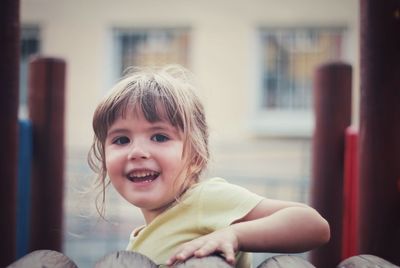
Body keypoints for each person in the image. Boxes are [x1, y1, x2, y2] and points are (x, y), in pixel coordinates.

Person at [88, 65, 330, 268]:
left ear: (196, 158)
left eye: (160, 137)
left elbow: (313, 224)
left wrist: (233, 235)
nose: (137, 152)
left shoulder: (204, 200)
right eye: (121, 140)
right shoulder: (139, 240)